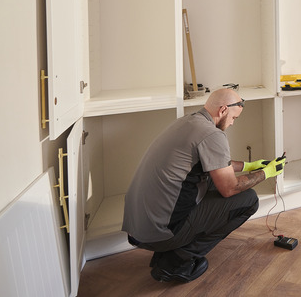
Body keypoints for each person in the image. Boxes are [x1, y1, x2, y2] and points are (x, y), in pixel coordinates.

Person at [122, 88, 286, 283]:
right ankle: (176, 261)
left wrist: (250, 165)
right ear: (223, 109)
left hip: (138, 228)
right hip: (158, 233)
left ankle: (168, 251)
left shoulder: (189, 122)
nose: (233, 123)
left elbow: (215, 163)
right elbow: (229, 188)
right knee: (248, 200)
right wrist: (266, 173)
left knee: (209, 180)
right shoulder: (212, 134)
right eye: (234, 117)